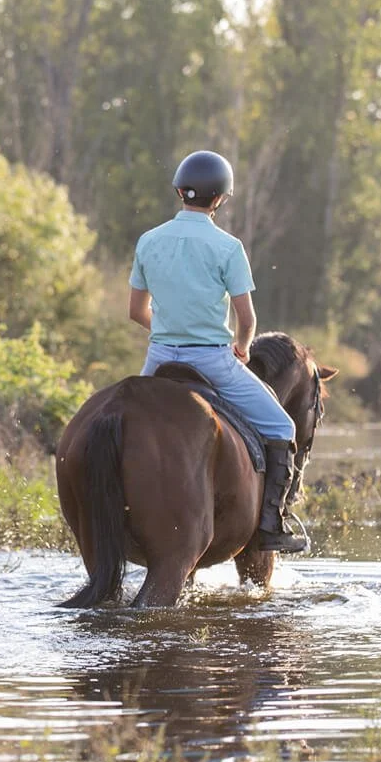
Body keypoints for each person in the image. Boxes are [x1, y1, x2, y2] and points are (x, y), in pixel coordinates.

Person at [127, 150, 305, 553]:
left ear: (178, 191)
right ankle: (272, 526)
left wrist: (170, 328)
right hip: (212, 359)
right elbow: (247, 320)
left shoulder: (149, 240)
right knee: (282, 428)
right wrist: (241, 348)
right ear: (220, 199)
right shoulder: (228, 247)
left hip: (159, 359)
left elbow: (136, 311)